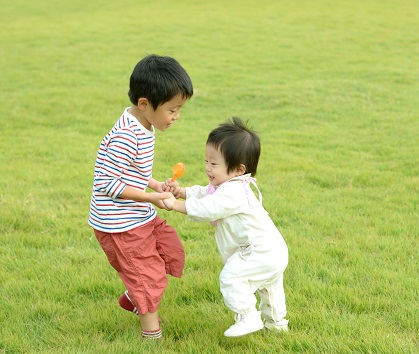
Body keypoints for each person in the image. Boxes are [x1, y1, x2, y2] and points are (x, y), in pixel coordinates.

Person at [88, 54, 193, 340]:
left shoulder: (145, 124)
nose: (176, 116)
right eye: (172, 110)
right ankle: (152, 336)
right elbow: (108, 182)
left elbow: (131, 169)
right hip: (119, 224)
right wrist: (149, 198)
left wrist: (155, 183)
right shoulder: (126, 135)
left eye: (179, 109)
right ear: (145, 104)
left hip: (138, 214)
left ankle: (132, 298)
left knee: (170, 251)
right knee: (147, 276)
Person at [161, 117, 289, 337]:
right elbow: (205, 193)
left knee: (231, 277)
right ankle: (277, 325)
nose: (207, 168)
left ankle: (248, 316)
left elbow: (208, 209)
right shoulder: (229, 185)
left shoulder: (232, 192)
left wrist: (175, 204)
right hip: (273, 250)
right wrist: (182, 192)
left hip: (258, 251)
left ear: (239, 169)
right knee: (269, 287)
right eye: (206, 161)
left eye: (214, 164)